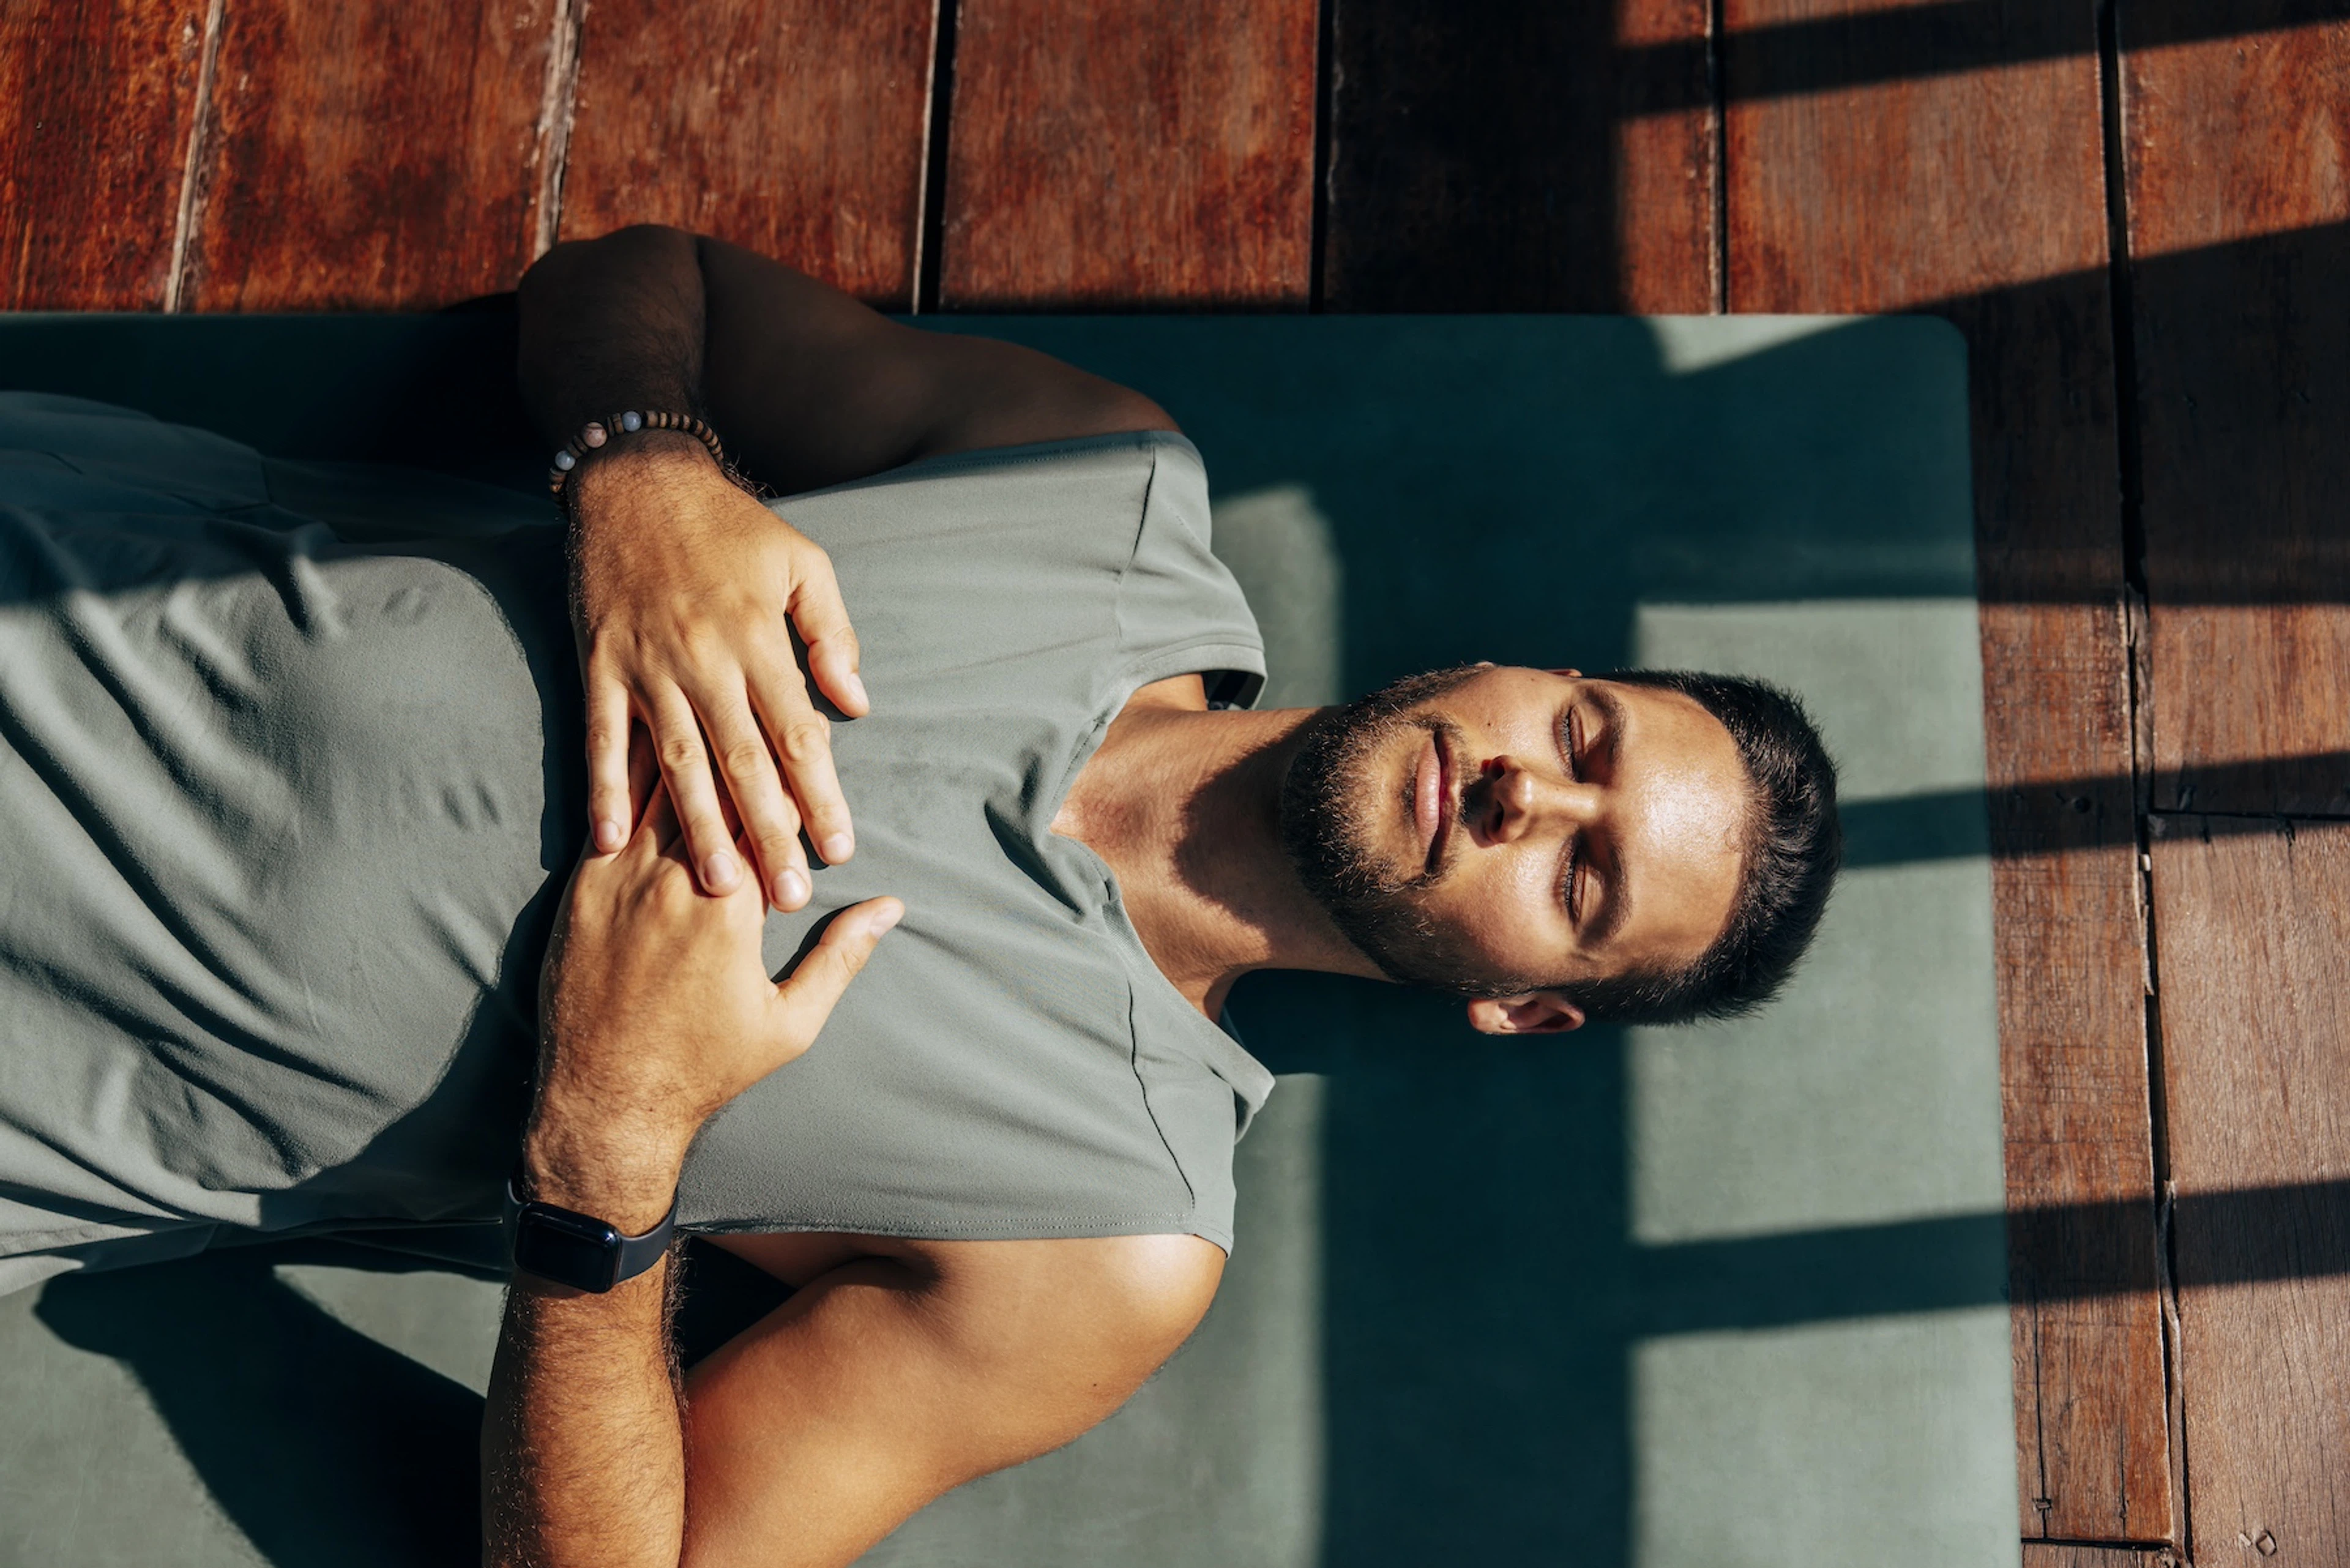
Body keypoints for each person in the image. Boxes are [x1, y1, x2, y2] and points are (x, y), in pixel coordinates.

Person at [0, 226, 1840, 1566]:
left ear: (1524, 1007)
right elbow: (641, 278)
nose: (1529, 788)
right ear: (1538, 670)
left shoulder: (1106, 1235)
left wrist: (612, 1143)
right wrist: (647, 464)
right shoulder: (1105, 486)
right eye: (1585, 731)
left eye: (1581, 875)